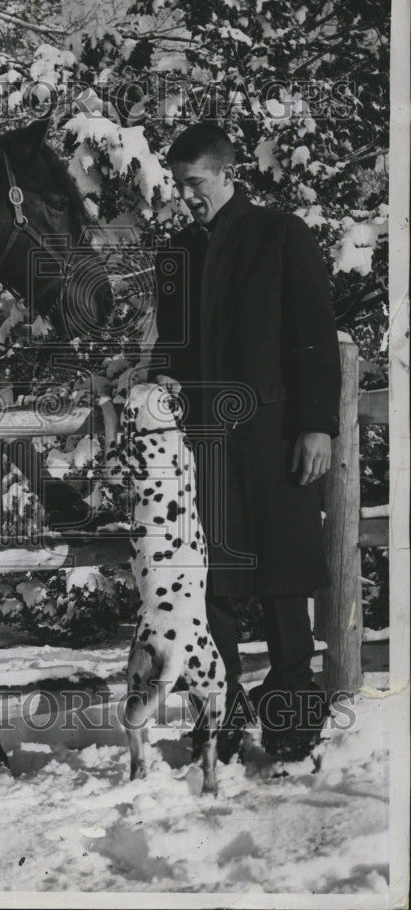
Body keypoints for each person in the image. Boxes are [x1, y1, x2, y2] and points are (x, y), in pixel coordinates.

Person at [150, 122, 341, 759]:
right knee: (215, 585)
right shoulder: (178, 252)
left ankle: (292, 724)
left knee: (285, 582)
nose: (186, 197)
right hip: (205, 443)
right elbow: (170, 352)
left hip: (277, 435)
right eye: (179, 187)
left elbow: (316, 336)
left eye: (195, 184)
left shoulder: (281, 235)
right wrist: (150, 397)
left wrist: (318, 423)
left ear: (228, 174)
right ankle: (219, 719)